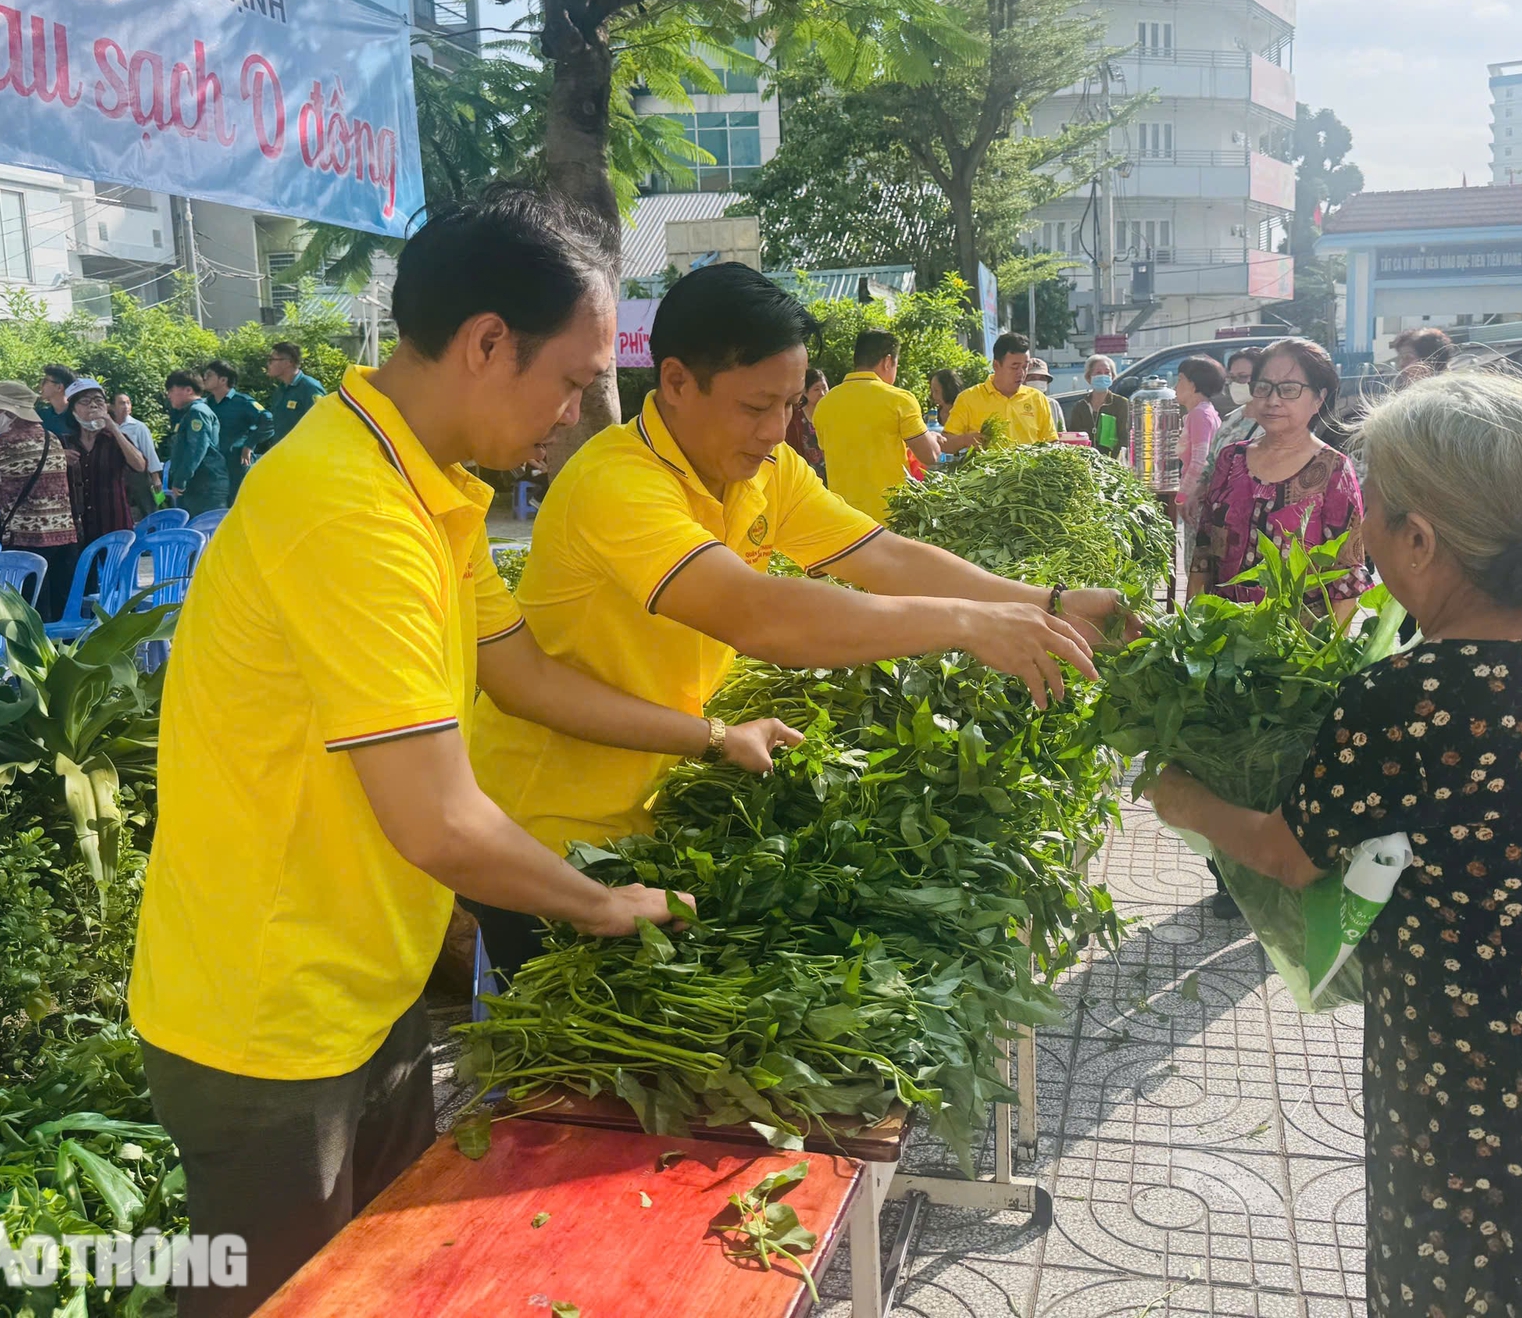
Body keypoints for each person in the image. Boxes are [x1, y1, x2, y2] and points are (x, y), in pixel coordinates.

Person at [127, 189, 803, 1317]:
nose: (580, 411)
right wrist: (600, 904)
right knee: (280, 1299)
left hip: (362, 982)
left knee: (375, 1290)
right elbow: (440, 818)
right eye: (574, 380)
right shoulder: (350, 512)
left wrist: (707, 735)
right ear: (488, 343)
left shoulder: (427, 488)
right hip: (269, 1017)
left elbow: (522, 671)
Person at [1153, 369, 1522, 1314]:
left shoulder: (1406, 695)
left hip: (1485, 1076)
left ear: (1418, 538)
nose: (1361, 533)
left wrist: (1185, 798)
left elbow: (1290, 854)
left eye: (1372, 513)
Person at [466, 261, 1119, 977]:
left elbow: (883, 556)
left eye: (789, 406)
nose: (776, 431)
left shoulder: (764, 468)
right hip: (549, 837)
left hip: (656, 806)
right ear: (677, 382)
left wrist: (1045, 602)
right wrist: (965, 624)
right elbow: (759, 615)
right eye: (755, 407)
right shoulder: (615, 484)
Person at [1188, 339, 1367, 616]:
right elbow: (1204, 552)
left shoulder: (1334, 470)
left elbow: (1347, 574)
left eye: (1289, 390)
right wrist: (1191, 626)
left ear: (1319, 398)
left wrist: (1326, 652)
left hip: (1294, 645)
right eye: (1263, 388)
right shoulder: (1230, 459)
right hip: (1219, 637)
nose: (1273, 400)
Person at [0, 381, 80, 611]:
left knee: (28, 613)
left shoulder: (1, 444)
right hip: (64, 538)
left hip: (25, 540)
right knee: (56, 610)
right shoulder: (50, 438)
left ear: (9, 413)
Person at [812, 330, 941, 522]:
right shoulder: (899, 400)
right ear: (888, 361)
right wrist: (933, 438)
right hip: (891, 519)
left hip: (844, 522)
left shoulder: (824, 405)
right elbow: (929, 455)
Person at [64, 378, 147, 547]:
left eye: (98, 401)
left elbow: (139, 465)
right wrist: (59, 457)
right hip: (78, 527)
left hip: (114, 522)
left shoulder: (115, 439)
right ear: (73, 410)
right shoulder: (65, 442)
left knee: (115, 572)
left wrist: (114, 428)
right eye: (85, 402)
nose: (93, 406)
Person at [940, 333, 1056, 451]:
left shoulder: (1037, 399)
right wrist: (965, 440)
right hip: (986, 468)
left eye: (1025, 367)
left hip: (1029, 468)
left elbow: (1051, 442)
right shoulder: (968, 398)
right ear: (996, 365)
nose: (1021, 373)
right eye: (1014, 367)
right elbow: (945, 443)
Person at [201, 360, 274, 506]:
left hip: (236, 463)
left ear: (223, 380)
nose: (204, 378)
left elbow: (268, 421)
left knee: (240, 504)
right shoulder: (206, 404)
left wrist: (249, 445)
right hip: (213, 466)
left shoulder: (242, 402)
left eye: (209, 375)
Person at [1171, 356, 1225, 543]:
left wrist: (1182, 496)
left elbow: (1199, 461)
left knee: (1193, 559)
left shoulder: (1199, 414)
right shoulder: (1204, 411)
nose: (1175, 387)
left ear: (1194, 385)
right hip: (1202, 497)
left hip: (1198, 501)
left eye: (1180, 380)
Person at [162, 372, 229, 518]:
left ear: (188, 390)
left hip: (205, 486)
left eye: (172, 390)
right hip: (198, 486)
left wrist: (181, 479)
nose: (169, 395)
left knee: (207, 532)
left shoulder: (197, 412)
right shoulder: (189, 413)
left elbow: (196, 449)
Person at [111, 392, 166, 519]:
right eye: (121, 403)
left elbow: (149, 452)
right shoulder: (108, 426)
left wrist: (156, 477)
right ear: (113, 407)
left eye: (128, 403)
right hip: (118, 475)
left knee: (148, 509)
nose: (125, 406)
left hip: (139, 474)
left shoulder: (138, 427)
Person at [1065, 356, 1132, 455]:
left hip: (1113, 463)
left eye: (1107, 372)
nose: (1103, 376)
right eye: (1098, 373)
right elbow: (1074, 439)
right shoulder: (1080, 406)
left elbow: (1125, 438)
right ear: (1089, 377)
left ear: (1112, 377)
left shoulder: (1121, 404)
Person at [265, 340, 327, 448]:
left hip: (304, 454)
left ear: (288, 362)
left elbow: (321, 423)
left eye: (272, 360)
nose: (268, 364)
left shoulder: (310, 387)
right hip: (282, 453)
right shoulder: (280, 390)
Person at [783, 366, 828, 477]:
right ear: (805, 392)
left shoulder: (833, 415)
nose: (822, 393)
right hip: (805, 477)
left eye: (824, 388)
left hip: (832, 475)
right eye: (816, 389)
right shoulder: (795, 419)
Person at [1024, 358, 1067, 431]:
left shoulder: (1053, 404)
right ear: (1023, 381)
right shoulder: (1016, 404)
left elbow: (1062, 433)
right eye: (1032, 378)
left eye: (1042, 378)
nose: (1037, 381)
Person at [37, 363, 77, 439]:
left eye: (45, 381)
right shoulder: (41, 415)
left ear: (59, 387)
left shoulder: (78, 416)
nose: (40, 385)